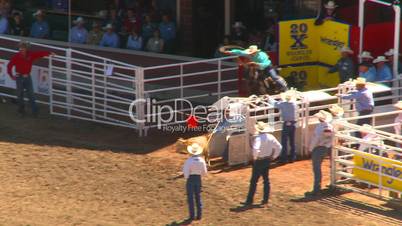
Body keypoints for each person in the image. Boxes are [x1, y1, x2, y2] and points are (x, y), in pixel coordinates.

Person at [7, 41, 54, 117]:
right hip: (20, 77)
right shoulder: (17, 56)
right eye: (20, 48)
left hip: (26, 76)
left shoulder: (30, 55)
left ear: (26, 49)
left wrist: (49, 52)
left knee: (30, 95)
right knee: (20, 95)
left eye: (22, 48)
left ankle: (33, 111)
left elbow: (39, 53)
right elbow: (9, 66)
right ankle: (22, 111)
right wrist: (12, 76)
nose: (21, 50)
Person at [243, 121, 281, 206]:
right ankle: (265, 199)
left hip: (259, 161)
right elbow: (279, 147)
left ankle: (249, 200)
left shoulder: (259, 138)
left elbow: (255, 149)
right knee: (266, 180)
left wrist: (255, 158)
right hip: (267, 160)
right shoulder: (270, 137)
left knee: (254, 181)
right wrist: (273, 157)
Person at [305, 110, 334, 196]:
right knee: (331, 166)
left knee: (317, 169)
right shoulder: (330, 126)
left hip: (318, 148)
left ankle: (316, 189)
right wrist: (328, 145)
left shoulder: (320, 127)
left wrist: (310, 149)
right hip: (327, 147)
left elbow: (316, 139)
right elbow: (331, 137)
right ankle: (332, 184)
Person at [268, 90, 299, 163]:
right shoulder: (294, 104)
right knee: (292, 141)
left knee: (284, 142)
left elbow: (274, 103)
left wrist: (269, 98)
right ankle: (292, 157)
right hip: (293, 123)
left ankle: (284, 158)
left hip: (286, 124)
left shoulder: (283, 104)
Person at [182, 142, 208, 222]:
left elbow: (185, 173)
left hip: (190, 179)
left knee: (190, 198)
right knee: (198, 196)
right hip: (198, 179)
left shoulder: (189, 161)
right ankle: (199, 215)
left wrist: (188, 177)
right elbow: (204, 172)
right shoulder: (202, 161)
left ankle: (192, 216)